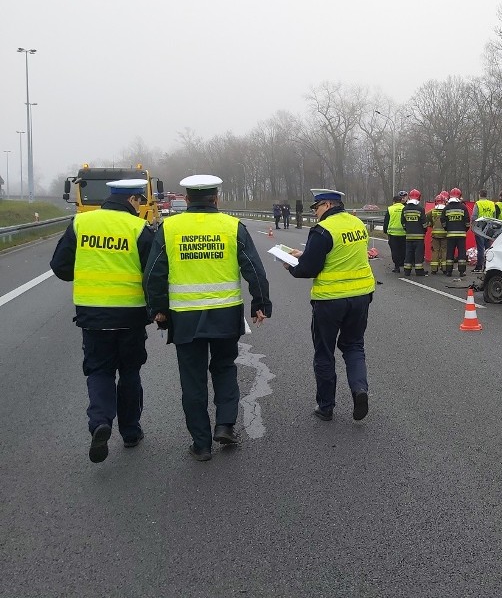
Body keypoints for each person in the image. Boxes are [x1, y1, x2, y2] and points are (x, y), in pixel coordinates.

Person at [143, 174, 272, 462]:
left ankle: (201, 444)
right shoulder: (232, 226)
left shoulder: (170, 228)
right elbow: (253, 267)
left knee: (193, 379)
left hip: (185, 317)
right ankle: (225, 424)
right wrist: (260, 303)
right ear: (216, 198)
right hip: (225, 314)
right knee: (225, 368)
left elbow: (154, 273)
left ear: (187, 199)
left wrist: (158, 309)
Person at [49, 179, 155, 463]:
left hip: (92, 316)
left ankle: (100, 422)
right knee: (130, 373)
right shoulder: (139, 229)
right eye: (139, 201)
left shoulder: (81, 223)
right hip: (131, 315)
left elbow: (60, 267)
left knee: (99, 371)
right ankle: (131, 433)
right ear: (132, 200)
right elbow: (153, 273)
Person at [282, 189, 375, 422]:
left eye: (316, 209)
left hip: (330, 300)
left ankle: (326, 407)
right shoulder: (357, 223)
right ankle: (359, 390)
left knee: (324, 352)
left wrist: (291, 265)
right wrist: (308, 253)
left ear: (326, 205)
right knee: (354, 346)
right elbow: (342, 254)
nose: (315, 214)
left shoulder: (323, 230)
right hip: (361, 295)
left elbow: (308, 269)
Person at [442, 187, 470, 277]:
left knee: (450, 252)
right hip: (461, 234)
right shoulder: (463, 207)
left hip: (450, 234)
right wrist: (464, 230)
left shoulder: (446, 208)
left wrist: (447, 229)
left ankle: (448, 271)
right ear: (459, 196)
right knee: (461, 253)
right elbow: (467, 222)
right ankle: (462, 271)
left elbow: (443, 221)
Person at [402, 189, 428, 276]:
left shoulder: (405, 209)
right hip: (419, 237)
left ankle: (407, 271)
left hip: (408, 236)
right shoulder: (420, 209)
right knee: (418, 254)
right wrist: (424, 230)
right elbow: (424, 223)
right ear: (418, 198)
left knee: (408, 253)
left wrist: (407, 230)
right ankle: (419, 271)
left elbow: (403, 222)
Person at [472, 189, 496, 273]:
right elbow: (494, 216)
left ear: (480, 195)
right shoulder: (492, 204)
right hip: (489, 229)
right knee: (488, 248)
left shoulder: (478, 203)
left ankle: (479, 266)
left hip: (480, 228)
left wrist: (473, 226)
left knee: (480, 248)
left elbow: (474, 217)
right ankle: (488, 266)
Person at [382, 190, 407, 272]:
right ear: (400, 201)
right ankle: (402, 263)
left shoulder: (390, 209)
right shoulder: (405, 208)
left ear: (393, 201)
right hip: (404, 233)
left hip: (393, 234)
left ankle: (397, 267)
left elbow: (386, 221)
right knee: (403, 249)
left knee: (395, 250)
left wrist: (385, 230)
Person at [426, 193, 448, 275]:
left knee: (435, 251)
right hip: (445, 234)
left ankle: (434, 269)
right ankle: (444, 268)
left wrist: (431, 224)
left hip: (435, 234)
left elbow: (426, 218)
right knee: (444, 251)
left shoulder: (432, 211)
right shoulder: (446, 211)